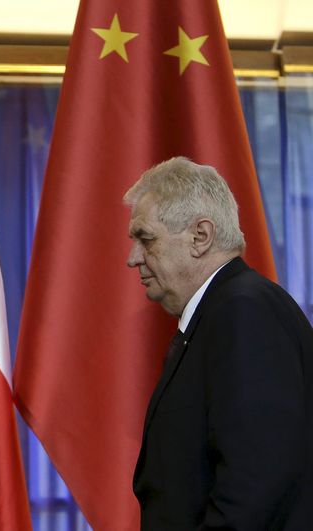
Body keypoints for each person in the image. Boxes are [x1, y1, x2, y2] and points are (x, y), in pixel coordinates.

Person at [125, 157, 312, 530]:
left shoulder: (244, 313)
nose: (133, 259)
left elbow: (256, 482)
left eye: (146, 239)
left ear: (200, 236)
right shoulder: (219, 313)